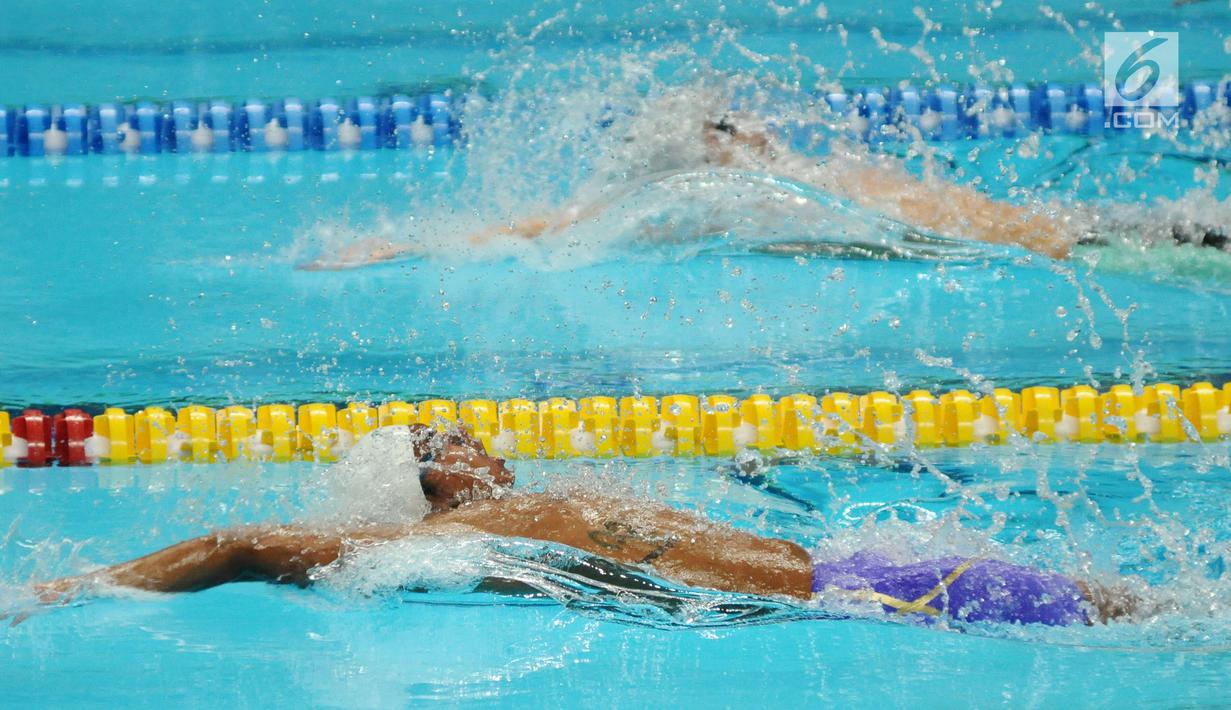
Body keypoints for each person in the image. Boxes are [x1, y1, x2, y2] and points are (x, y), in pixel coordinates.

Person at [23, 424, 1134, 627]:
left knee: (1133, 609)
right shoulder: (435, 544)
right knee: (1125, 614)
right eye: (437, 442)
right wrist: (68, 587)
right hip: (851, 601)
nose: (462, 436)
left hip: (853, 574)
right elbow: (240, 544)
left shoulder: (526, 502)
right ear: (422, 490)